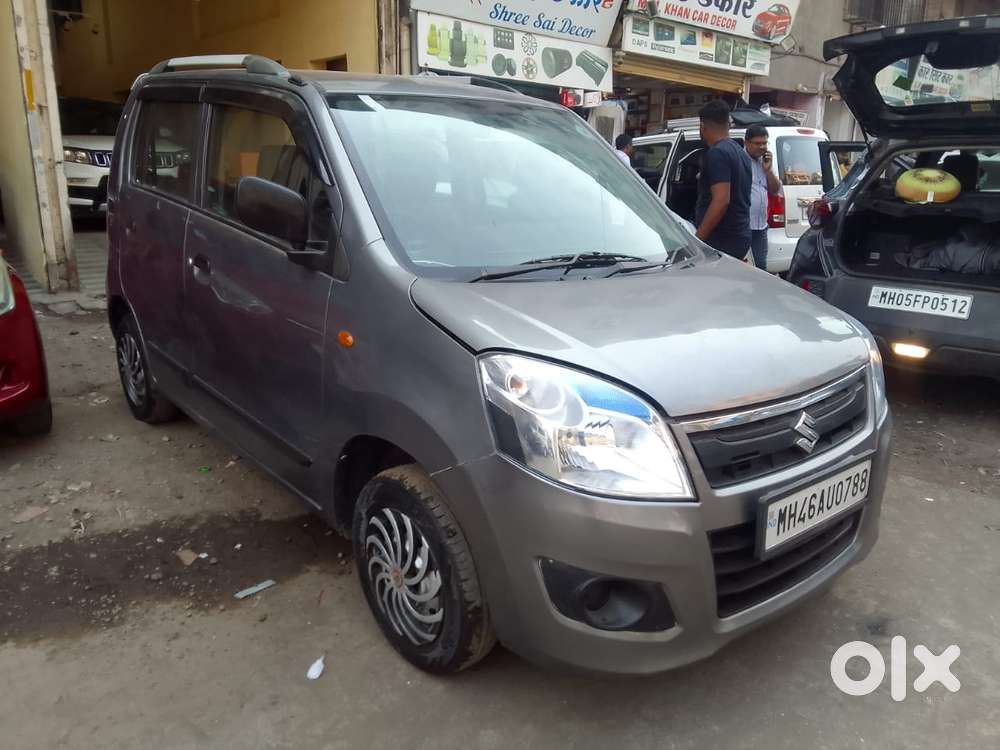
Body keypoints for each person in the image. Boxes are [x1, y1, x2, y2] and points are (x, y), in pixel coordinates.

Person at [694, 100, 752, 259]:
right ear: (728, 124)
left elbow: (721, 201)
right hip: (739, 235)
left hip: (721, 239)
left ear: (702, 127)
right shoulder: (740, 152)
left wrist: (696, 240)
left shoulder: (717, 153)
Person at [744, 124, 782, 271]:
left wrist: (768, 170)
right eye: (757, 143)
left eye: (764, 143)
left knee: (760, 267)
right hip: (743, 225)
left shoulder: (764, 162)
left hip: (760, 227)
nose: (762, 147)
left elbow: (774, 190)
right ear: (747, 143)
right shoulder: (740, 160)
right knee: (743, 268)